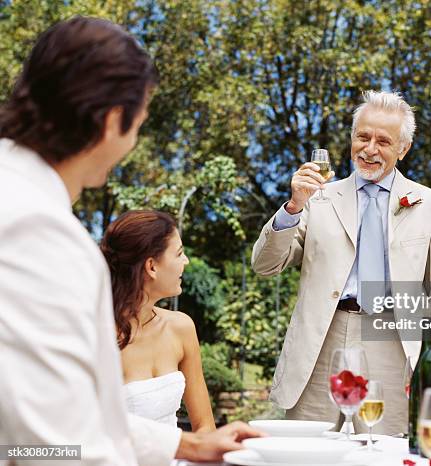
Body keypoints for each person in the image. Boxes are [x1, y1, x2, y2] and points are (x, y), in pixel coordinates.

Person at [0, 16, 260, 466]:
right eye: (138, 123)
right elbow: (49, 446)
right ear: (112, 120)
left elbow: (73, 407)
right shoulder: (37, 232)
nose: (134, 141)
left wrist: (184, 445)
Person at [251, 90, 431, 434]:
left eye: (383, 141)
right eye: (363, 137)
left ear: (402, 149)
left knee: (384, 452)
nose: (370, 149)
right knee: (310, 455)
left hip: (392, 341)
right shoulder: (316, 198)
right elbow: (265, 265)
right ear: (351, 139)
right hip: (321, 342)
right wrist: (293, 206)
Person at [101, 210, 215, 431]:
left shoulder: (181, 327)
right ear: (151, 266)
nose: (186, 261)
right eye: (179, 253)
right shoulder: (97, 335)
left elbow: (205, 427)